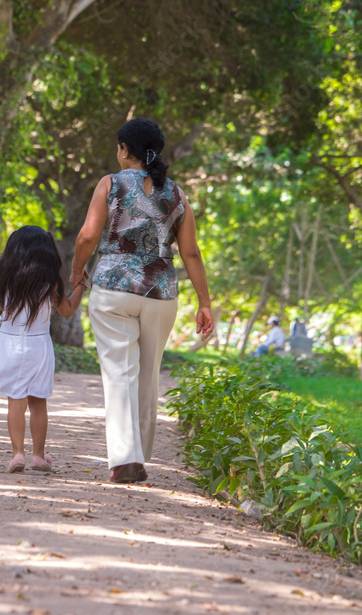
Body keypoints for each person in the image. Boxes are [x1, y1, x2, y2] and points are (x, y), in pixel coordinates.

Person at [70, 118, 214, 484]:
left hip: (113, 287)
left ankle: (125, 458)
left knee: (119, 373)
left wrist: (76, 271)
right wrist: (205, 303)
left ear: (124, 149)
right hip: (161, 292)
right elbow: (192, 253)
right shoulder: (177, 194)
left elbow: (88, 235)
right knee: (148, 375)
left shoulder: (111, 183)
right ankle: (139, 456)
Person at [0, 225, 86, 474]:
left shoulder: (4, 276)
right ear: (47, 252)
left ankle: (18, 455)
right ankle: (38, 456)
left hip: (11, 343)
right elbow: (67, 311)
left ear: (13, 250)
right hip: (39, 347)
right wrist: (81, 286)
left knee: (16, 402)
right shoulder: (50, 282)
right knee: (38, 402)